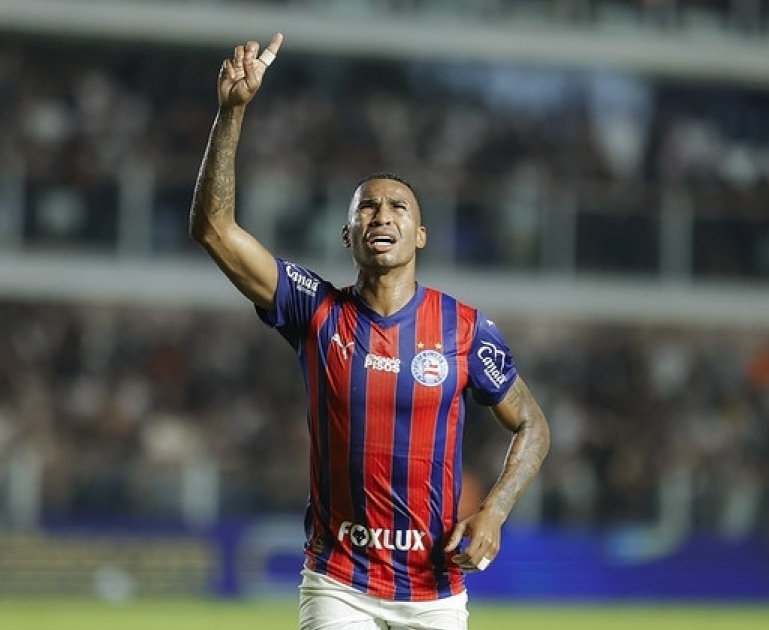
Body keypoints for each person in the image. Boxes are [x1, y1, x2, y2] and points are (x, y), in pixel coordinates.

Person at [189, 33, 551, 629]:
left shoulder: (464, 329)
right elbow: (214, 229)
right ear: (348, 235)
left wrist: (494, 511)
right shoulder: (314, 310)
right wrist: (231, 113)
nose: (382, 214)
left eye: (398, 207)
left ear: (421, 235)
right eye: (367, 207)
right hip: (338, 583)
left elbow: (533, 424)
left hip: (433, 588)